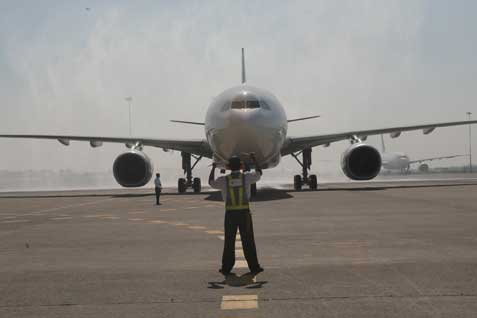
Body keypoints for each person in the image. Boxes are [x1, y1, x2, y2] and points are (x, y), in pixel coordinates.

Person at [209, 154, 264, 276]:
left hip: (230, 215)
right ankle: (254, 267)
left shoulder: (224, 180)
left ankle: (226, 268)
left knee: (229, 241)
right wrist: (255, 160)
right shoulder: (247, 178)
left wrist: (213, 167)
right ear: (241, 166)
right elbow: (259, 173)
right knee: (248, 241)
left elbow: (211, 182)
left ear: (228, 167)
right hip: (244, 214)